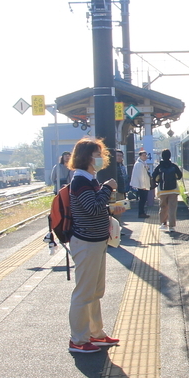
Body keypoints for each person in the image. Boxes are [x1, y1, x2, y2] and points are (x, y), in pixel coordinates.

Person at [66, 137, 121, 354]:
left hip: (95, 241)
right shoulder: (81, 180)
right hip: (86, 243)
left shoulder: (89, 179)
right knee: (83, 293)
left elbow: (95, 208)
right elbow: (93, 208)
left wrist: (111, 208)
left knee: (95, 292)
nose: (101, 158)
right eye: (97, 155)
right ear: (86, 157)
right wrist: (107, 189)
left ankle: (95, 334)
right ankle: (78, 340)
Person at [151, 149, 183, 231]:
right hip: (173, 190)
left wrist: (158, 180)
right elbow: (179, 176)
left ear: (162, 156)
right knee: (172, 208)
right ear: (169, 156)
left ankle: (163, 224)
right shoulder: (174, 166)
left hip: (162, 191)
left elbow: (154, 177)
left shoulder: (159, 167)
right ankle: (171, 226)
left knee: (163, 207)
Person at [130, 149, 152, 218]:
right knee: (143, 200)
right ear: (140, 156)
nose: (145, 157)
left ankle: (142, 212)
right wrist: (143, 186)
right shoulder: (139, 164)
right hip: (142, 186)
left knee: (143, 200)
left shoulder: (142, 163)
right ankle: (141, 213)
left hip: (142, 185)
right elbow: (141, 176)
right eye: (143, 155)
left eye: (146, 155)